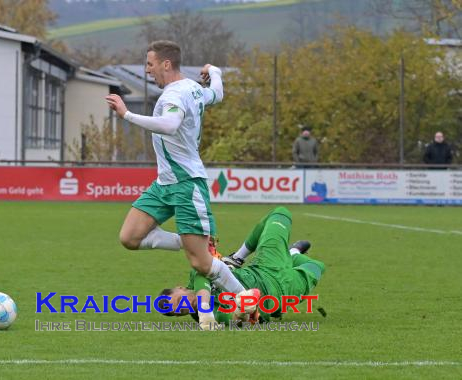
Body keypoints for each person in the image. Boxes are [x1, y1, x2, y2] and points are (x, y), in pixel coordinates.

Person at [105, 40, 246, 295]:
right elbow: (217, 93)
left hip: (186, 183)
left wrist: (127, 115)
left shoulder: (174, 94)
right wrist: (215, 71)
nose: (147, 70)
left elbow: (169, 125)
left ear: (166, 64)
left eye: (150, 64)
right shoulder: (192, 88)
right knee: (130, 237)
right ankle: (188, 240)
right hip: (165, 183)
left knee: (201, 263)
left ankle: (247, 300)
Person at [158, 207, 326, 330]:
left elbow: (203, 284)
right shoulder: (212, 316)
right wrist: (241, 312)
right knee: (317, 266)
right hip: (279, 291)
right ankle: (293, 254)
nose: (185, 306)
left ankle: (238, 256)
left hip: (261, 266)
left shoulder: (197, 274)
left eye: (180, 301)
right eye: (180, 312)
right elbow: (233, 318)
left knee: (281, 213)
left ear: (180, 288)